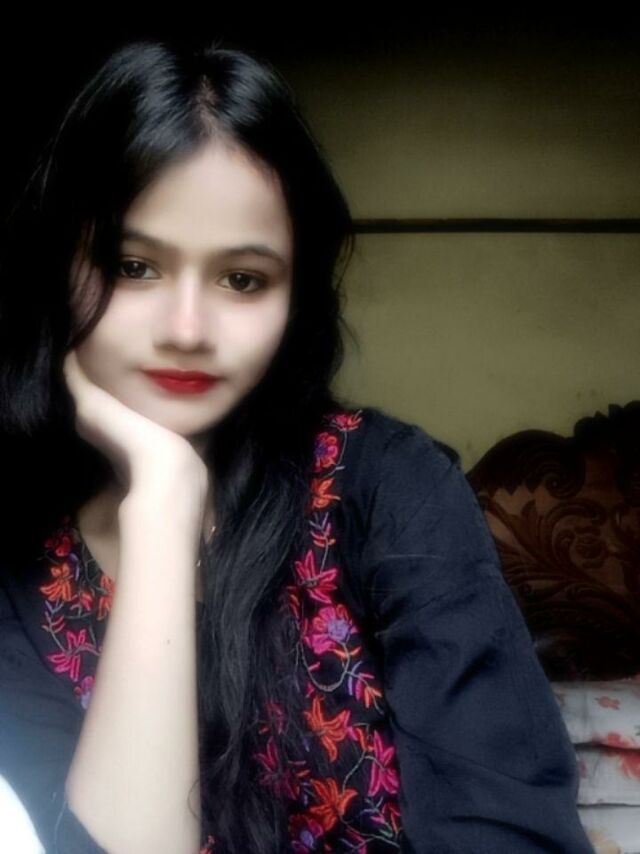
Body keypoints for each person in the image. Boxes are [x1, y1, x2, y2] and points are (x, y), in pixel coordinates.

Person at [0, 37, 596, 854]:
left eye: (243, 279)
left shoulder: (385, 487)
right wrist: (163, 504)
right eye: (133, 266)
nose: (187, 329)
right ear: (56, 268)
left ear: (296, 297)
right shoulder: (21, 573)